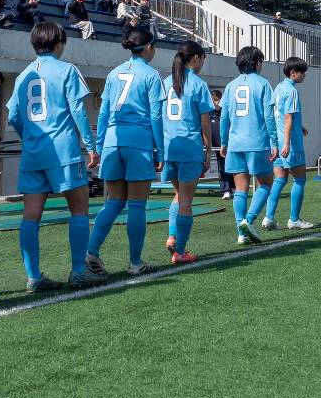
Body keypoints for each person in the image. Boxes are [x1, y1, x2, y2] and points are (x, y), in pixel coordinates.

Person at [7, 23, 100, 291]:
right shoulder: (67, 69)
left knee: (30, 217)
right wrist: (91, 146)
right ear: (59, 44)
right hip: (63, 151)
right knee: (80, 211)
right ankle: (79, 271)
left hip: (33, 154)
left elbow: (12, 115)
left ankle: (34, 277)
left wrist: (30, 138)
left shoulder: (23, 75)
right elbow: (78, 110)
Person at [85, 26, 165, 279]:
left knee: (115, 202)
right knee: (138, 204)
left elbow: (104, 113)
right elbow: (155, 116)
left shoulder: (114, 73)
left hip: (112, 141)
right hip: (138, 141)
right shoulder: (152, 75)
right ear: (149, 47)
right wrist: (160, 151)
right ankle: (135, 262)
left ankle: (91, 253)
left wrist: (98, 147)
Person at [160, 40, 215, 264]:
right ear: (195, 58)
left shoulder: (165, 82)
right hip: (189, 146)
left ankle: (172, 237)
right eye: (202, 58)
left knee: (178, 195)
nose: (202, 63)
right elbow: (205, 122)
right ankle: (180, 252)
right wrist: (209, 149)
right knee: (186, 201)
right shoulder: (198, 84)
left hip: (168, 146)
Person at [220, 45, 280, 244]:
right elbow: (269, 116)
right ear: (256, 63)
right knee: (266, 184)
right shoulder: (263, 84)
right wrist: (274, 141)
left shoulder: (230, 86)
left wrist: (223, 142)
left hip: (235, 144)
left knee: (240, 189)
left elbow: (224, 118)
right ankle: (249, 220)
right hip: (257, 141)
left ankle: (241, 232)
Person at [265, 56, 313, 230]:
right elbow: (287, 116)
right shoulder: (292, 91)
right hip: (290, 143)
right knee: (300, 179)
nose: (304, 76)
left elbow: (277, 115)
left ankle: (269, 217)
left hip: (277, 141)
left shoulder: (278, 88)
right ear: (293, 73)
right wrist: (287, 143)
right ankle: (294, 219)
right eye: (302, 72)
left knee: (279, 179)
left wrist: (298, 126)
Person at [210, 89, 229, 199]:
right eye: (213, 101)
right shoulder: (210, 114)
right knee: (221, 166)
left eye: (217, 100)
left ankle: (232, 188)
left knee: (229, 166)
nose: (216, 103)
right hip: (217, 146)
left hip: (227, 144)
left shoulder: (225, 113)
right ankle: (225, 189)